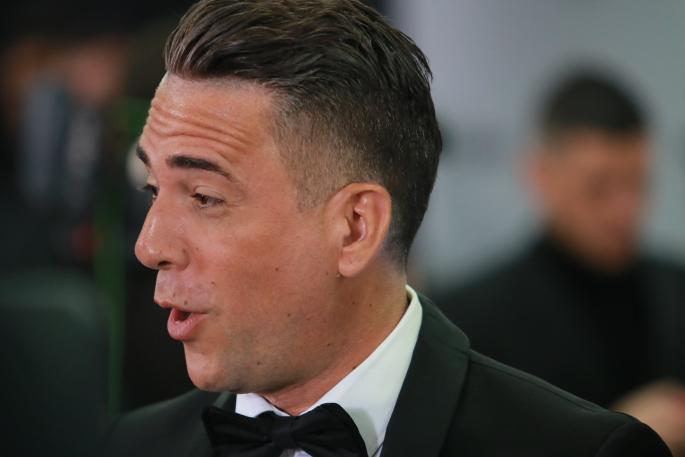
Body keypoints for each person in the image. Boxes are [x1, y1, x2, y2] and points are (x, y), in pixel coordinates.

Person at [102, 2, 671, 456]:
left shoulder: (580, 449)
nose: (149, 246)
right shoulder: (132, 446)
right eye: (153, 191)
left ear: (355, 227)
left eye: (204, 197)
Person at [441, 72, 685, 454]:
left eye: (638, 183)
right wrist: (619, 437)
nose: (625, 209)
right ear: (541, 175)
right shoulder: (468, 319)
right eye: (598, 188)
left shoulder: (676, 286)